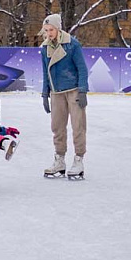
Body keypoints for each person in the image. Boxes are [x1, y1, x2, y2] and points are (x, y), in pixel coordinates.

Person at [39, 14, 89, 180]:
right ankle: (59, 160)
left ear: (58, 28)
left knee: (78, 126)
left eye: (51, 29)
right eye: (46, 30)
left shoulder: (72, 44)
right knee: (57, 127)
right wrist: (45, 93)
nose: (48, 33)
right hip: (56, 92)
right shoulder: (44, 48)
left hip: (73, 90)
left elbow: (82, 68)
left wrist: (82, 90)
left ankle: (78, 160)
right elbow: (46, 73)